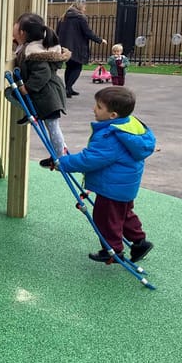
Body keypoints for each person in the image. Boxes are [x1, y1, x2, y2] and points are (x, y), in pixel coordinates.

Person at [49, 86, 156, 263]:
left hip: (111, 188)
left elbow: (90, 159)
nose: (94, 109)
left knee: (105, 218)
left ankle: (113, 250)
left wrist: (62, 163)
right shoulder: (131, 124)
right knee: (124, 214)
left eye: (99, 107)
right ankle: (140, 242)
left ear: (113, 115)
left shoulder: (111, 136)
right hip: (125, 186)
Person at [9, 13, 71, 159]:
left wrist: (28, 87)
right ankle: (32, 112)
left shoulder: (35, 53)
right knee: (13, 94)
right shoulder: (33, 46)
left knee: (52, 126)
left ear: (22, 32)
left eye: (16, 25)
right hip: (45, 94)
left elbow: (43, 73)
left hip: (49, 96)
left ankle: (59, 156)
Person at [56, 0, 106, 97]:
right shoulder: (80, 18)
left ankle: (69, 88)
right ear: (80, 7)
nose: (85, 9)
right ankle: (68, 88)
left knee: (69, 67)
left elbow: (57, 32)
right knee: (77, 68)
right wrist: (100, 40)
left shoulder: (63, 17)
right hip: (77, 47)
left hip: (65, 47)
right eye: (84, 7)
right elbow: (88, 32)